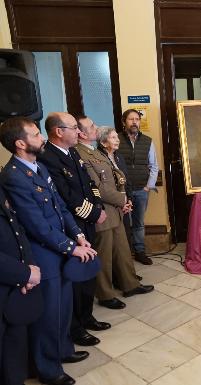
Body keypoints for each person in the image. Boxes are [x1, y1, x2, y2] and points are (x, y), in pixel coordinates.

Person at [0, 116, 98, 385]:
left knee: (64, 308)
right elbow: (36, 225)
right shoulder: (13, 176)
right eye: (35, 134)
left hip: (61, 247)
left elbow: (60, 207)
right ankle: (48, 369)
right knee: (49, 314)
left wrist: (77, 235)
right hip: (44, 253)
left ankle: (63, 350)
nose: (42, 137)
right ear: (21, 143)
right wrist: (70, 247)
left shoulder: (38, 167)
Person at [37, 112, 110, 348]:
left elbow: (89, 185)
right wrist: (93, 213)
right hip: (71, 227)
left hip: (86, 223)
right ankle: (76, 327)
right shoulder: (48, 157)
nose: (79, 132)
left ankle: (87, 316)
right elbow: (66, 197)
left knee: (87, 273)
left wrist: (97, 207)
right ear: (59, 131)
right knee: (75, 279)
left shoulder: (73, 152)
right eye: (73, 128)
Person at [75, 124, 154, 309]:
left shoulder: (94, 152)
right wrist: (122, 199)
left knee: (123, 251)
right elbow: (98, 188)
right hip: (102, 211)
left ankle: (130, 285)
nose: (95, 127)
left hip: (116, 209)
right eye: (92, 126)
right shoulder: (80, 154)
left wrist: (124, 201)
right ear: (81, 133)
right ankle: (105, 294)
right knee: (105, 256)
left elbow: (116, 177)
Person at [0, 184, 42, 385]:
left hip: (14, 286)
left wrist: (30, 266)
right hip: (10, 278)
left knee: (15, 355)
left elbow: (17, 229)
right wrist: (25, 273)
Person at [117, 109, 159, 265]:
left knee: (139, 223)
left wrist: (149, 186)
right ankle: (125, 253)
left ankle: (140, 251)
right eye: (131, 119)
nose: (134, 122)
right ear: (124, 122)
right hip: (121, 191)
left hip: (142, 189)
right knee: (123, 223)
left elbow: (154, 166)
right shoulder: (116, 139)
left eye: (137, 119)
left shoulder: (147, 141)